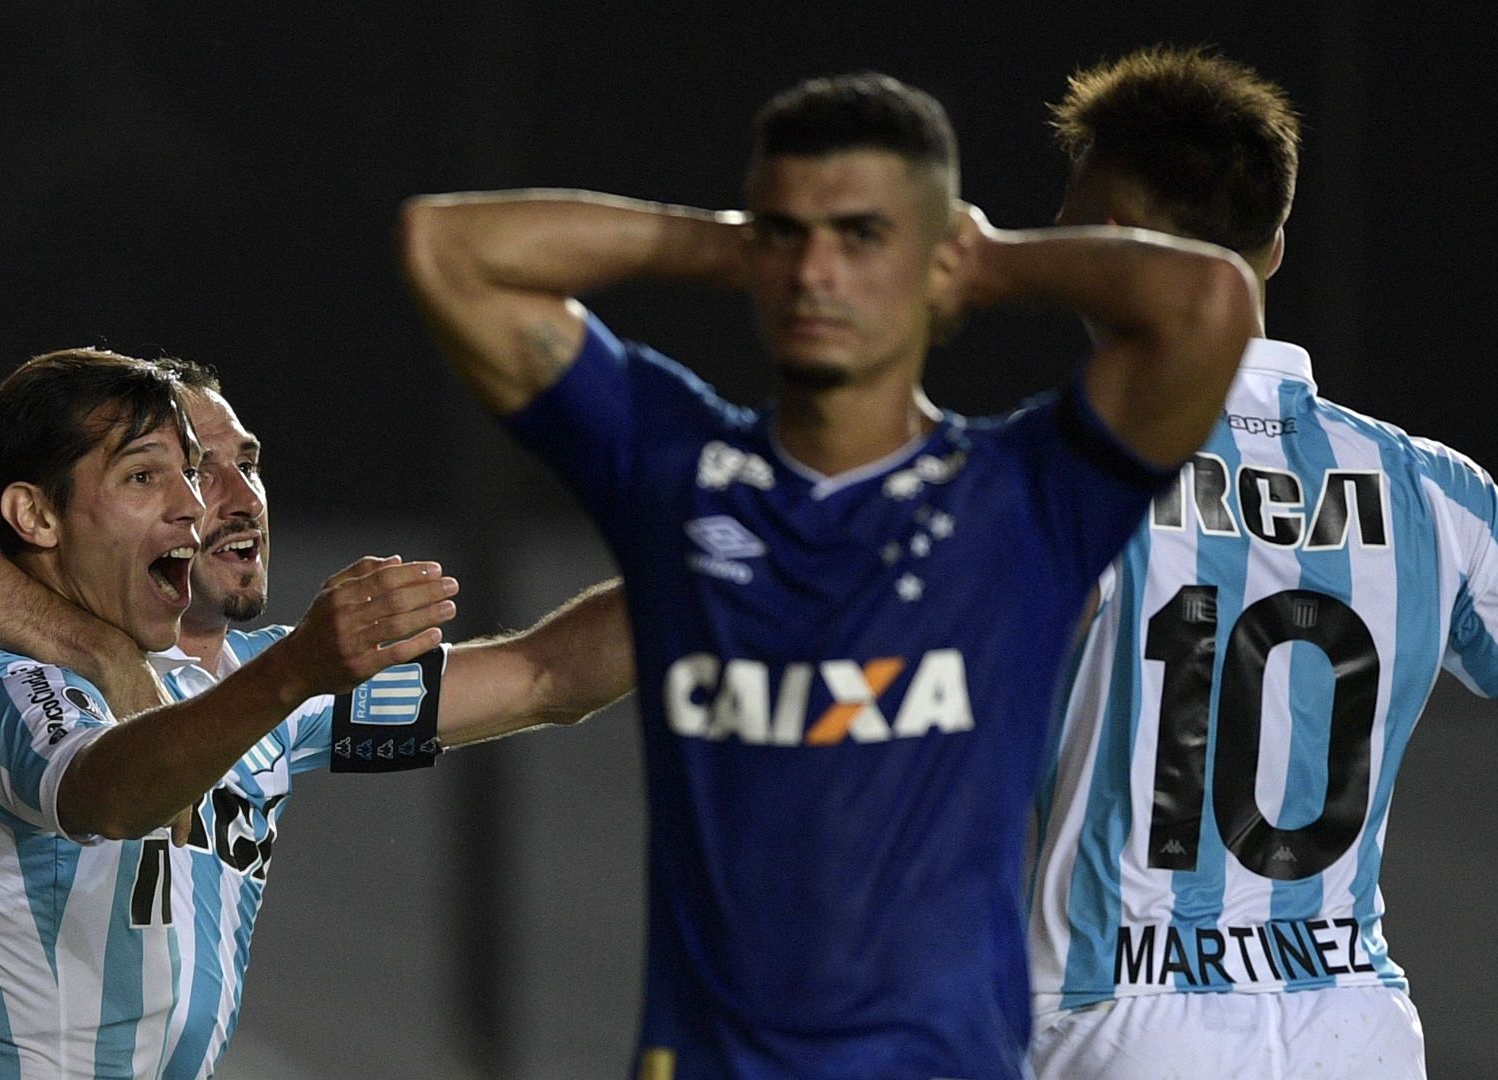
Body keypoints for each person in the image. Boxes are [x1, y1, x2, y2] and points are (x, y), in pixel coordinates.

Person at [401, 72, 1257, 1077]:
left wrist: (984, 261)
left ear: (936, 258)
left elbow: (1209, 298)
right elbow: (447, 248)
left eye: (860, 236)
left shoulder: (1025, 503)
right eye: (787, 235)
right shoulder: (675, 475)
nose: (817, 272)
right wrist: (733, 244)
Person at [1022, 47, 1498, 1080]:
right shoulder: (1433, 490)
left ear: (1087, 246)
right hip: (1353, 1031)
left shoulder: (1054, 471)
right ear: (1275, 246)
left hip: (1113, 1022)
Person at [0, 352, 633, 1079]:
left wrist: (713, 568)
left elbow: (547, 675)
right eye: (156, 472)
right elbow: (111, 795)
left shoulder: (236, 683)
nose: (212, 502)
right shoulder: (10, 683)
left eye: (232, 466)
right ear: (44, 514)